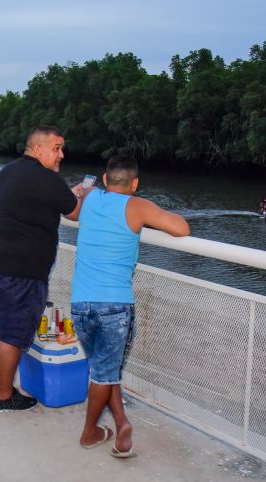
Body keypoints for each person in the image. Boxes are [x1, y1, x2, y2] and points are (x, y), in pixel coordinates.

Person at [70, 155, 190, 458]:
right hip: (115, 306)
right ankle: (89, 432)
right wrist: (151, 210)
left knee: (103, 368)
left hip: (80, 303)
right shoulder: (138, 206)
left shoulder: (91, 196)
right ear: (135, 184)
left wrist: (83, 190)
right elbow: (181, 229)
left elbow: (72, 212)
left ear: (105, 179)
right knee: (104, 373)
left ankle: (122, 423)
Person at [0, 125, 84, 412]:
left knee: (5, 332)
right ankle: (3, 397)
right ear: (37, 149)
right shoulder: (46, 178)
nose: (61, 154)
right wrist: (84, 195)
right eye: (56, 148)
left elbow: (40, 202)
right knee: (13, 337)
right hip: (21, 275)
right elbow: (76, 213)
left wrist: (68, 194)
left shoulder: (9, 171)